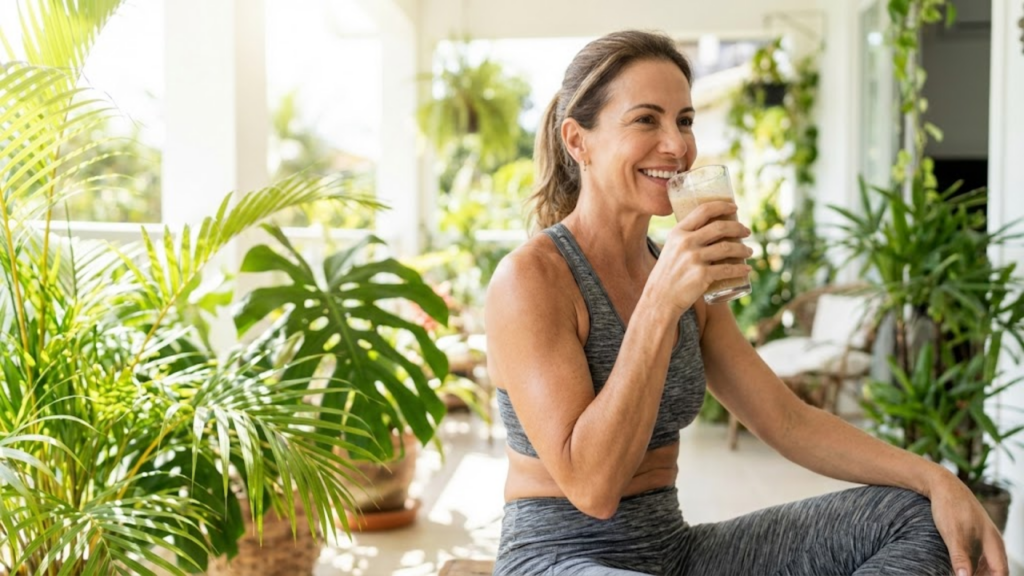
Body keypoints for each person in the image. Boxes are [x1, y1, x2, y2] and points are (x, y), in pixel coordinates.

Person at [484, 30, 1008, 576]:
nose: (677, 145)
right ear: (578, 141)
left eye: (684, 120)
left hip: (673, 553)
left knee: (916, 517)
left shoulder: (682, 273)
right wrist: (660, 303)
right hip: (557, 558)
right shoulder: (532, 279)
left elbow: (786, 420)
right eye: (646, 120)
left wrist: (937, 478)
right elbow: (593, 487)